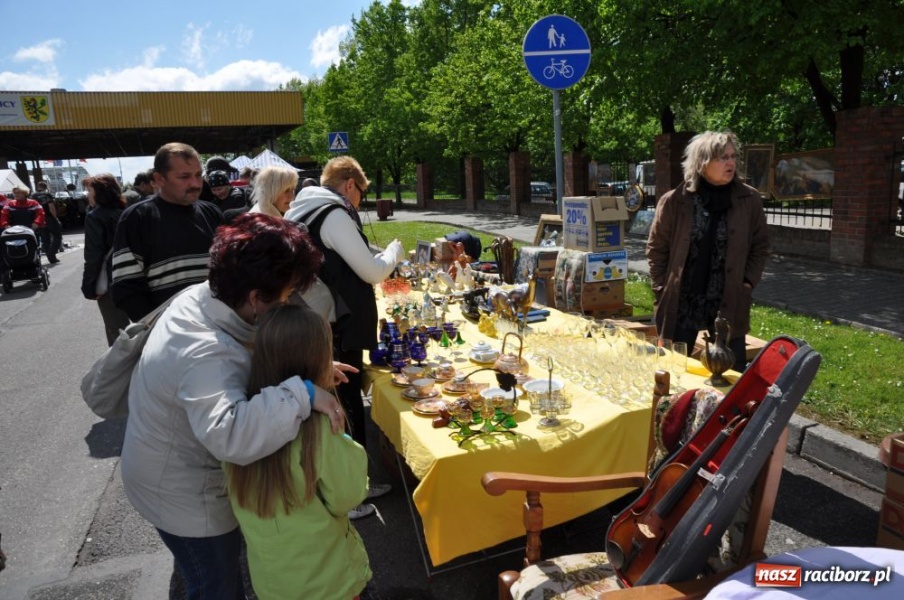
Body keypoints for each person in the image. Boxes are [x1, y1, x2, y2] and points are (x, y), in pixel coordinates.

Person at [120, 213, 351, 600]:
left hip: (164, 464)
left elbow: (248, 347)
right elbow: (231, 436)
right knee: (215, 585)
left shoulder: (208, 295)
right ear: (256, 298)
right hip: (183, 492)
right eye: (286, 295)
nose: (289, 301)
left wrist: (309, 364)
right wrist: (303, 393)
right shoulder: (206, 350)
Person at [285, 155, 404, 520]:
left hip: (316, 321)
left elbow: (344, 257)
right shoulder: (333, 213)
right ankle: (350, 491)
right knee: (344, 403)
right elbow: (372, 272)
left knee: (336, 401)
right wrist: (394, 252)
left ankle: (350, 482)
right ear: (351, 185)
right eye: (360, 195)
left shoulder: (304, 208)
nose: (359, 202)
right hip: (336, 323)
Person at [225, 304, 371, 600]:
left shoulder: (239, 422)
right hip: (330, 584)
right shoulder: (318, 428)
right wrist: (345, 441)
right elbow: (349, 495)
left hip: (274, 585)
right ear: (316, 361)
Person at [647, 130, 770, 372]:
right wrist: (661, 287)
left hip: (728, 297)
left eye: (733, 156)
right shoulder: (675, 201)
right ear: (702, 162)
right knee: (674, 367)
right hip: (683, 299)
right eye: (723, 157)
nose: (731, 162)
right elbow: (656, 248)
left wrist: (747, 282)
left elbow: (760, 246)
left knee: (731, 370)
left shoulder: (749, 200)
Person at [110, 142, 224, 322]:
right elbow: (126, 286)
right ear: (159, 179)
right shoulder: (137, 218)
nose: (195, 184)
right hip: (168, 331)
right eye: (184, 177)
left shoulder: (212, 213)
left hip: (217, 327)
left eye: (198, 175)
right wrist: (158, 327)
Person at [81, 174, 131, 345]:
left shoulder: (95, 216)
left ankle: (125, 362)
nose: (87, 195)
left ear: (99, 193)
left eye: (89, 191)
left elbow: (93, 255)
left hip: (110, 280)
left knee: (117, 330)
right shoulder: (126, 212)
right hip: (131, 275)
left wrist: (88, 285)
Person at [30, 182, 61, 263]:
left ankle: (51, 258)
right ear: (46, 187)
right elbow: (51, 208)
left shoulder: (32, 196)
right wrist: (55, 218)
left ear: (37, 187)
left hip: (39, 219)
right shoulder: (47, 194)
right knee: (57, 236)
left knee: (45, 239)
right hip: (49, 218)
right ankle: (51, 254)